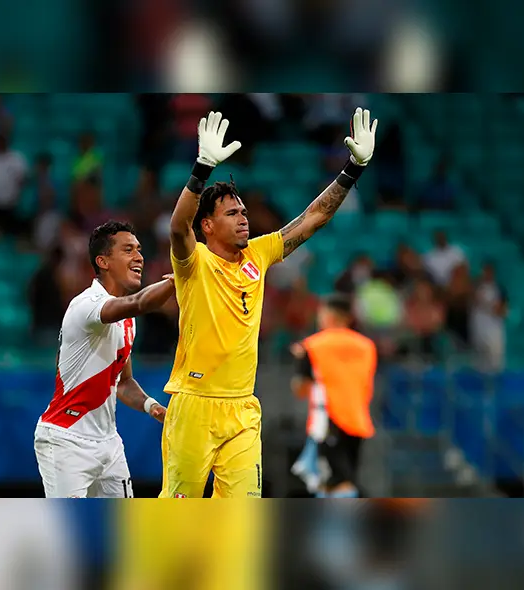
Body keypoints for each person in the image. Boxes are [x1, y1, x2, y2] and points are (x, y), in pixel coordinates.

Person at [160, 108, 378, 498]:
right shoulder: (194, 261)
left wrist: (353, 169)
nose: (244, 218)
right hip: (195, 405)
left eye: (244, 211)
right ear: (207, 225)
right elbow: (178, 226)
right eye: (232, 213)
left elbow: (312, 218)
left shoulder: (258, 253)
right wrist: (202, 167)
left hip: (243, 408)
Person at [34, 221, 176, 498]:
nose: (139, 257)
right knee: (70, 525)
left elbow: (123, 382)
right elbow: (139, 303)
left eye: (139, 249)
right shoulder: (86, 305)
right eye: (128, 250)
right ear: (103, 261)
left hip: (109, 444)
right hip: (66, 439)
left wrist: (152, 406)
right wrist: (178, 279)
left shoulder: (128, 321)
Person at [290, 295, 377, 498]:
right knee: (345, 477)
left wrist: (300, 360)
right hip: (357, 420)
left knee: (333, 483)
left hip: (328, 421)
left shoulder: (313, 346)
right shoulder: (366, 346)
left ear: (329, 315)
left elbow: (300, 389)